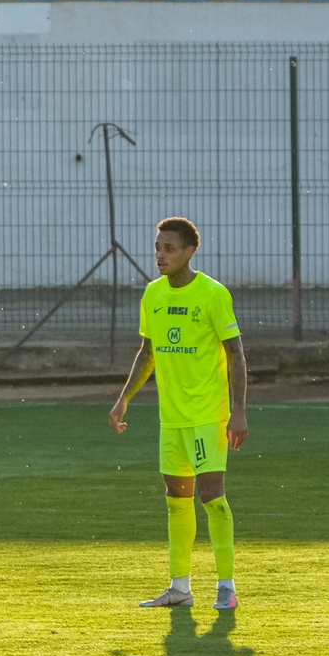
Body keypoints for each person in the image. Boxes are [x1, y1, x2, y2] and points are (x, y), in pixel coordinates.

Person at [108, 216, 248, 611]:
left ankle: (227, 587)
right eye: (158, 248)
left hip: (208, 415)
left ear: (189, 251)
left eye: (169, 249)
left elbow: (235, 353)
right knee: (176, 499)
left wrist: (238, 410)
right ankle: (180, 588)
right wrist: (124, 399)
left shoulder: (213, 294)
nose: (160, 255)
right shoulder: (153, 294)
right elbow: (147, 353)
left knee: (212, 497)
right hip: (171, 418)